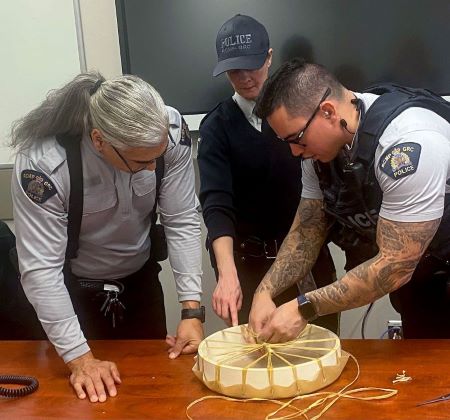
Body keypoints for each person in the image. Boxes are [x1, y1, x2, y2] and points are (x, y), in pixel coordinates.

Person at [10, 72, 204, 402]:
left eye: (157, 158)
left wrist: (191, 311)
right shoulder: (43, 165)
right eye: (142, 162)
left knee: (151, 391)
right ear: (99, 140)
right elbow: (42, 271)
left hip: (140, 283)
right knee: (88, 400)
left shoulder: (168, 133)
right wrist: (80, 360)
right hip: (74, 294)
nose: (153, 168)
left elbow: (182, 218)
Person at [249, 58, 450, 342]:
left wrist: (305, 307)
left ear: (328, 111)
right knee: (424, 375)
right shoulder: (319, 155)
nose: (295, 152)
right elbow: (307, 231)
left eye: (297, 139)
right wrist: (265, 291)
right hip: (423, 279)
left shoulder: (406, 147)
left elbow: (394, 267)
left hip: (423, 266)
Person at [198, 15, 338, 330]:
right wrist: (227, 274)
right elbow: (216, 204)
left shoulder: (306, 115)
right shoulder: (217, 127)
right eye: (235, 70)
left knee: (321, 357)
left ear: (270, 57)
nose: (246, 77)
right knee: (256, 365)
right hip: (249, 268)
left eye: (253, 66)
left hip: (308, 262)